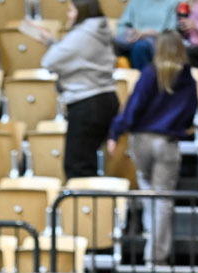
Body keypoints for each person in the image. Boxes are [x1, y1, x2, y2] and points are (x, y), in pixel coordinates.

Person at [107, 31, 198, 267]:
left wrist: (116, 132)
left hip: (141, 140)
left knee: (149, 194)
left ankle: (152, 246)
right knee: (163, 199)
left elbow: (134, 106)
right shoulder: (186, 77)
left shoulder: (150, 73)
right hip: (167, 141)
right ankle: (156, 256)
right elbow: (190, 111)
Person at [37, 0, 119, 180]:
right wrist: (51, 42)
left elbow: (49, 61)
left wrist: (51, 44)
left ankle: (84, 199)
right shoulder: (100, 28)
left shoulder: (84, 33)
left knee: (77, 168)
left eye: (71, 10)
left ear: (82, 10)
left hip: (88, 102)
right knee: (86, 163)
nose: (68, 15)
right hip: (106, 98)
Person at [115, 0, 178, 68]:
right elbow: (121, 26)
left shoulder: (174, 2)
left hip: (159, 40)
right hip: (133, 39)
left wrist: (148, 33)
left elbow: (171, 32)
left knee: (140, 47)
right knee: (113, 44)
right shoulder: (135, 2)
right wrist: (131, 33)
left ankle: (145, 74)